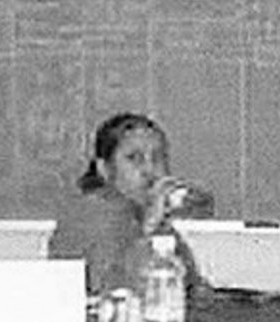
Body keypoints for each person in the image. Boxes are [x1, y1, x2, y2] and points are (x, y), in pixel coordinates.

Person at [47, 113, 208, 297]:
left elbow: (189, 286)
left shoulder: (144, 212)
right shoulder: (91, 213)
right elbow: (113, 293)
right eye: (134, 158)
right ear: (104, 169)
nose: (150, 170)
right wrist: (149, 228)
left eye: (158, 158)